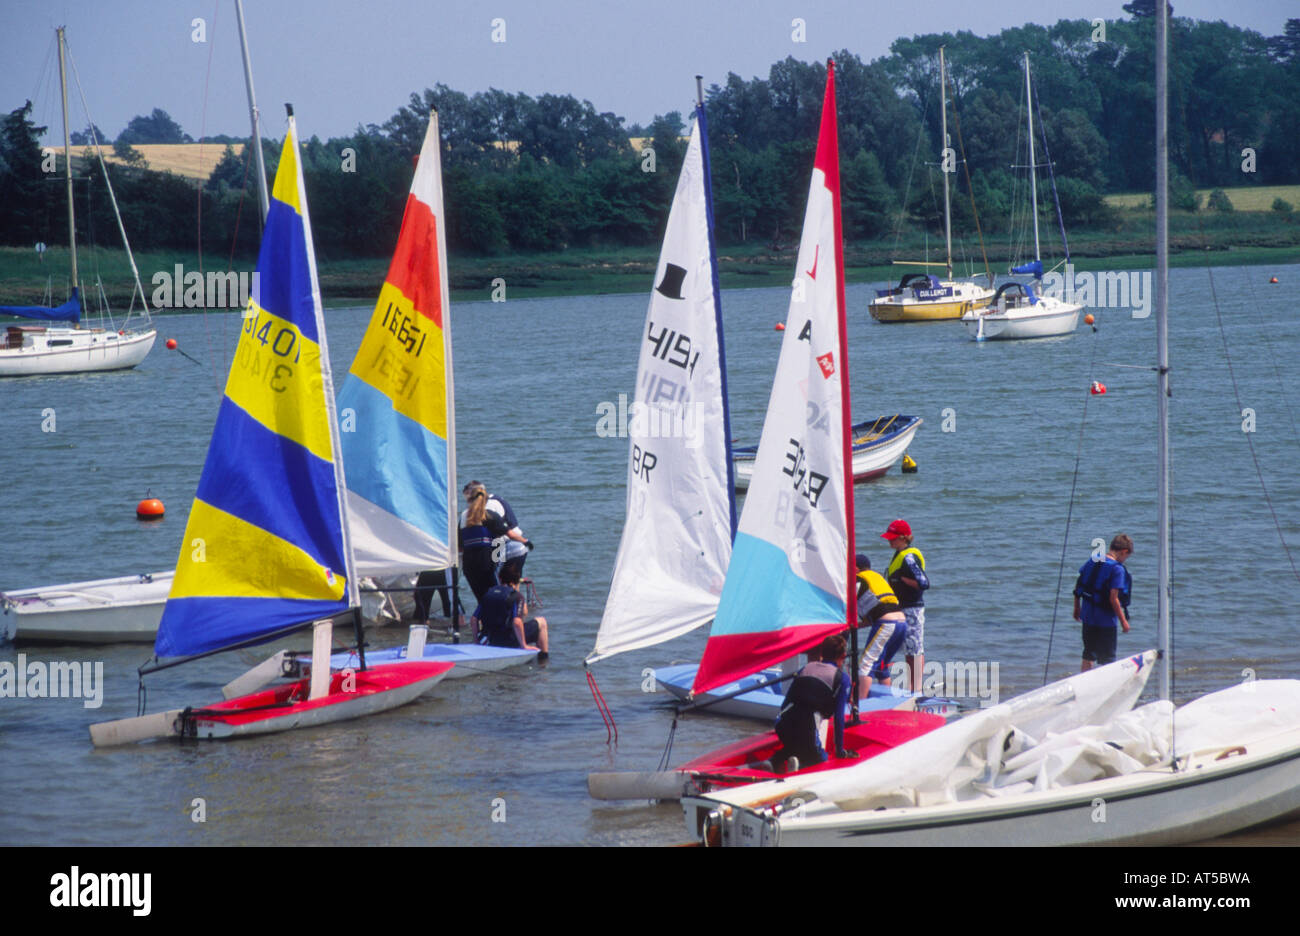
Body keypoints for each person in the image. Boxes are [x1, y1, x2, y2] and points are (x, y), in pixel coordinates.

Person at [770, 635, 856, 773]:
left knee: (796, 745)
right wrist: (840, 750)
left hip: (782, 724)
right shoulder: (842, 678)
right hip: (807, 726)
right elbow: (839, 719)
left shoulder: (805, 668)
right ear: (843, 655)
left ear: (821, 653)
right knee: (821, 759)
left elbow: (786, 703)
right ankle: (801, 766)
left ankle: (775, 760)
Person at [1074, 534, 1133, 671]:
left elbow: (1079, 585)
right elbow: (1114, 598)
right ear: (1124, 552)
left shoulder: (1093, 560)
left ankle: (1085, 684)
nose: (1124, 560)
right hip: (1106, 621)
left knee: (1088, 654)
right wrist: (1123, 621)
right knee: (1108, 660)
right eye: (1126, 557)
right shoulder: (1117, 569)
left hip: (1088, 615)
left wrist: (1076, 608)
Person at [882, 519, 929, 692]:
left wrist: (901, 579)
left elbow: (924, 583)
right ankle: (912, 686)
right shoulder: (899, 554)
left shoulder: (909, 557)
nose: (889, 540)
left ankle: (916, 689)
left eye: (893, 538)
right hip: (901, 608)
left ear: (903, 538)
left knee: (915, 649)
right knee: (908, 649)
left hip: (912, 608)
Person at [854, 553, 909, 701]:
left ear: (856, 568)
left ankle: (860, 705)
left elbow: (846, 604)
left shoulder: (857, 580)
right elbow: (873, 614)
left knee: (865, 666)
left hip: (886, 623)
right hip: (902, 623)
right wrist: (855, 626)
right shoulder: (877, 577)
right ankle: (887, 701)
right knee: (882, 665)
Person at [470, 565, 549, 661]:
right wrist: (524, 645)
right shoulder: (516, 596)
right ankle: (543, 661)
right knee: (542, 622)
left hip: (488, 640)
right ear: (517, 581)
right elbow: (517, 622)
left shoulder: (488, 593)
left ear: (500, 578)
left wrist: (477, 642)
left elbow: (474, 620)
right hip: (506, 641)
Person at [459, 481, 510, 603]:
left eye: (468, 492)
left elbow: (501, 535)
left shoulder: (492, 506)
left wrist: (498, 559)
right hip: (485, 554)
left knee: (488, 592)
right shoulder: (468, 513)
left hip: (491, 549)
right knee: (492, 591)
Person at [484, 488, 534, 580]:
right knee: (514, 578)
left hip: (504, 541)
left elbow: (501, 532)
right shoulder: (498, 499)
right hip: (519, 545)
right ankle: (514, 591)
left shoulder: (489, 505)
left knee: (496, 575)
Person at [412, 567, 465, 641]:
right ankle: (423, 632)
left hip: (444, 566)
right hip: (428, 567)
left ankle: (458, 631)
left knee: (451, 599)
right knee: (421, 600)